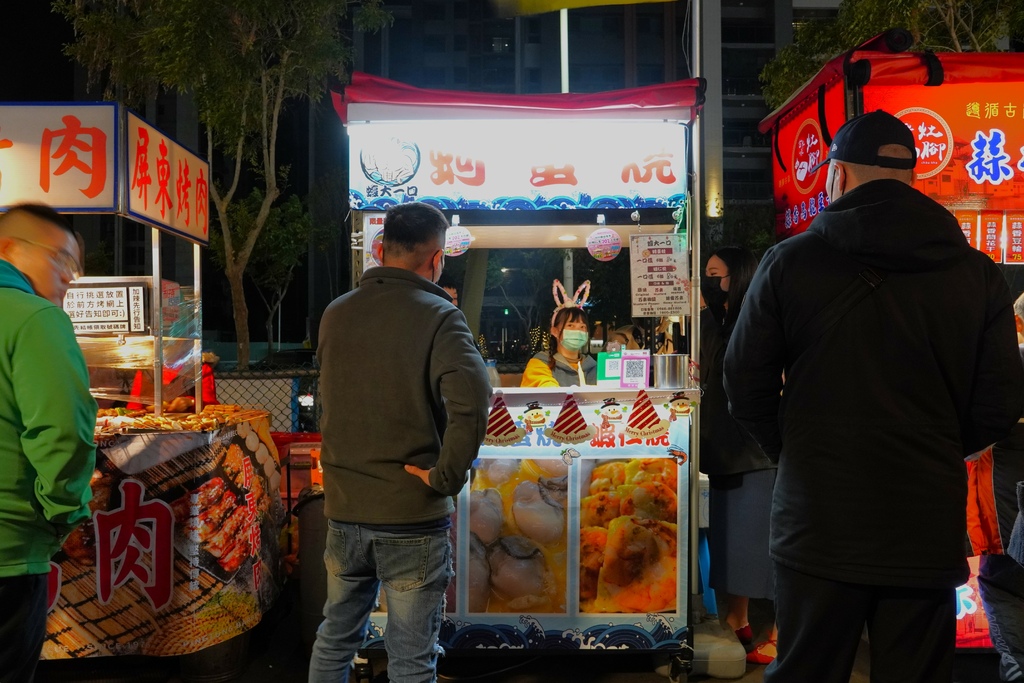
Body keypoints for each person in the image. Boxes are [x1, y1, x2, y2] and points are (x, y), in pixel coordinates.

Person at [723, 110, 1024, 683]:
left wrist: (796, 450)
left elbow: (744, 384)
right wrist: (933, 448)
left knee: (807, 671)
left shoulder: (790, 263)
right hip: (923, 518)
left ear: (837, 175)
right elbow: (1000, 403)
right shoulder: (976, 274)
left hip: (817, 517)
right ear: (913, 177)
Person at [310, 202, 491, 683]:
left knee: (336, 638)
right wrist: (445, 477)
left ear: (381, 248)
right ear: (436, 259)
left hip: (344, 511)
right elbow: (472, 404)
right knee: (411, 657)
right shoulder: (440, 317)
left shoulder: (335, 314)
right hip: (411, 515)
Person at [0, 203, 98, 683]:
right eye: (61, 259)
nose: (69, 278)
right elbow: (64, 434)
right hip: (8, 550)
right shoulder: (34, 318)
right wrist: (63, 513)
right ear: (7, 248)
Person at [698, 246, 778, 664]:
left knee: (761, 549)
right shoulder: (714, 322)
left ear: (739, 276)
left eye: (715, 274)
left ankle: (784, 633)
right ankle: (737, 622)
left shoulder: (755, 320)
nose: (708, 282)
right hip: (720, 452)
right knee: (729, 549)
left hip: (754, 453)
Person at [521, 280, 596, 387]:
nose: (578, 331)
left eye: (582, 327)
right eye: (570, 326)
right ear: (555, 331)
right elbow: (546, 389)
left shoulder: (594, 368)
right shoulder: (539, 363)